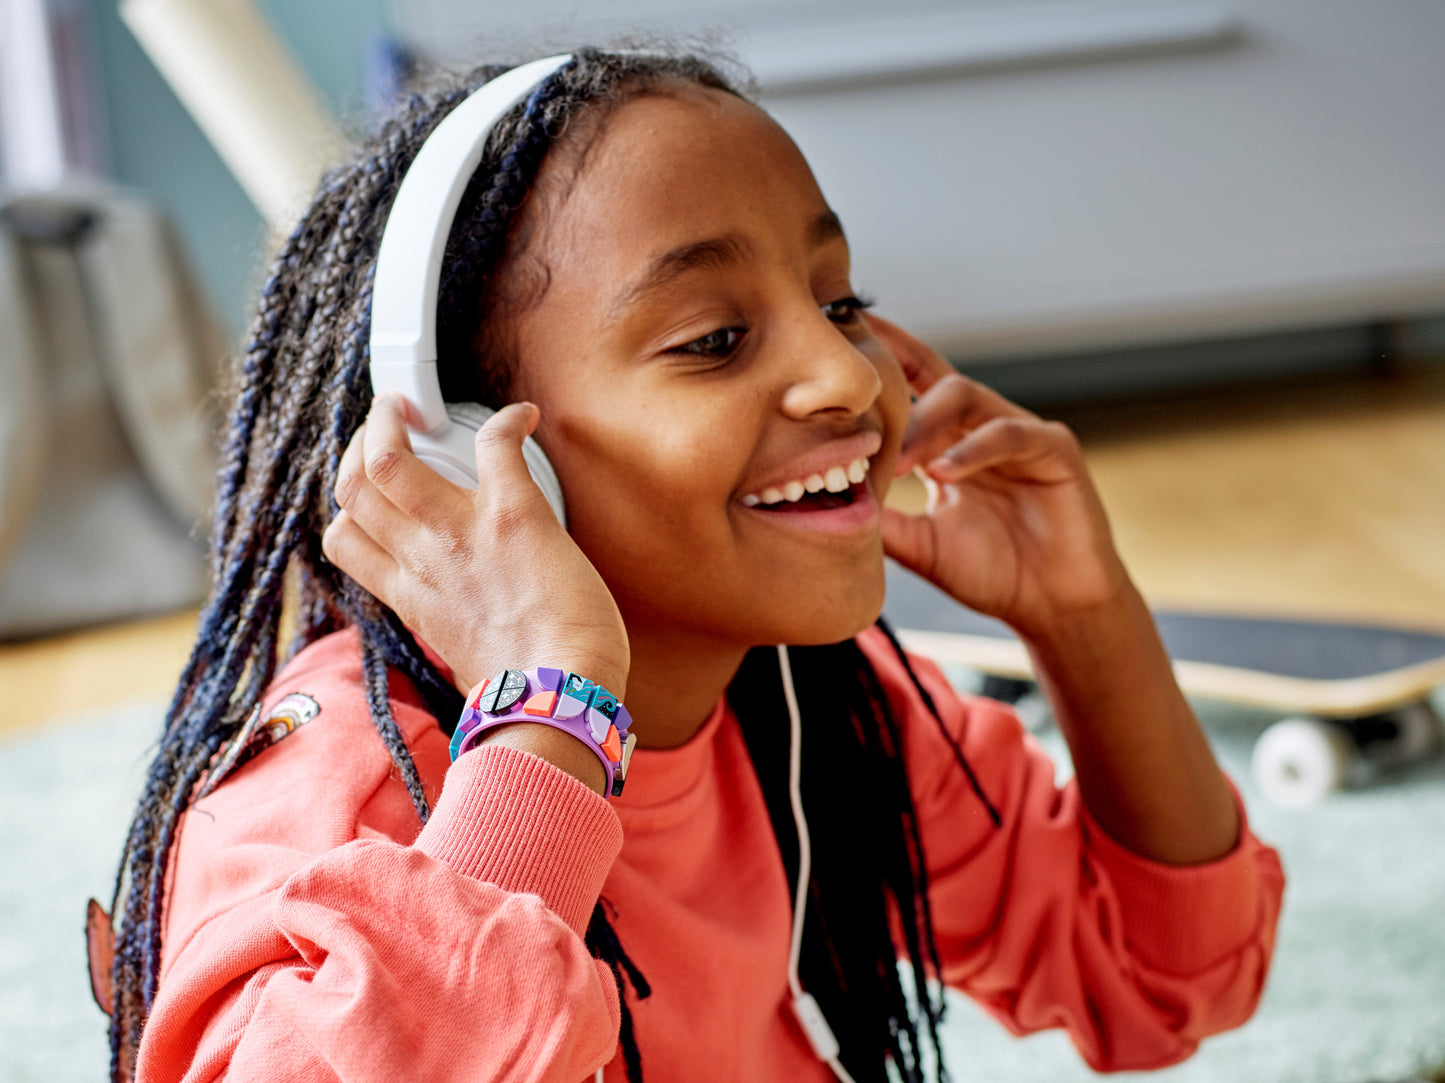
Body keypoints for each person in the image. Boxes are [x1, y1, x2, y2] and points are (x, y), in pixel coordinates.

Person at [95, 46, 1284, 1083]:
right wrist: (546, 708)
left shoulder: (821, 711)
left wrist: (1084, 619)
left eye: (840, 300)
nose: (842, 376)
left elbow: (1163, 983)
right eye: (714, 340)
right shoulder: (338, 799)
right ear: (461, 453)